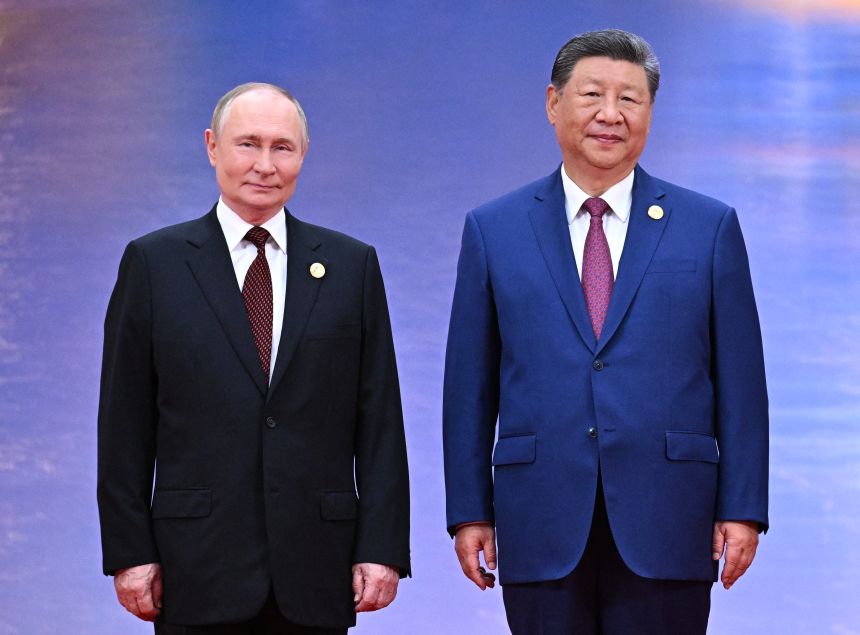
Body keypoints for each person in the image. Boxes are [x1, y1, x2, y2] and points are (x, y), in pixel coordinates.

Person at [443, 29, 768, 634]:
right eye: (592, 94)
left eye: (630, 99)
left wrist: (743, 508)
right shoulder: (494, 229)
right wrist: (469, 512)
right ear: (553, 103)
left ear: (650, 111)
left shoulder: (708, 227)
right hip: (540, 515)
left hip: (670, 517)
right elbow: (469, 388)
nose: (610, 115)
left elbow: (742, 384)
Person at [97, 82, 410, 634]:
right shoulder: (154, 264)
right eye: (248, 144)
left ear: (303, 155)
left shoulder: (351, 266)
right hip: (194, 568)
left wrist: (381, 548)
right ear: (212, 146)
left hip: (317, 567)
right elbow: (124, 422)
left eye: (282, 147)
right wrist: (130, 551)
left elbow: (379, 419)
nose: (265, 165)